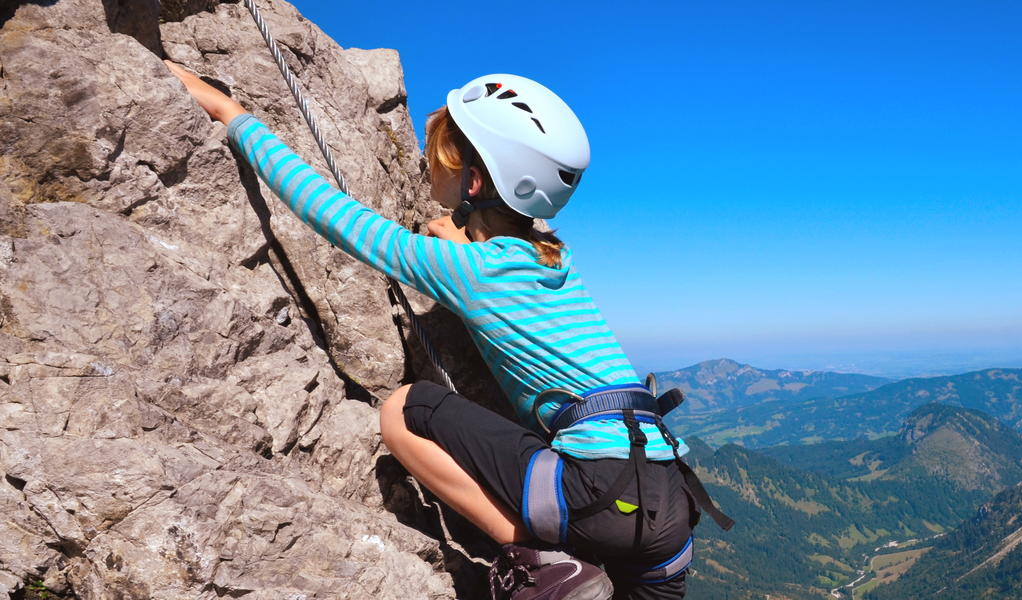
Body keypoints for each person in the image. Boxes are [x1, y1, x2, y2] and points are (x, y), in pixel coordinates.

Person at [165, 60, 730, 600]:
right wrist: (460, 239)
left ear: (475, 181)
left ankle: (544, 556)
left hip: (592, 493)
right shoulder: (556, 259)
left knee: (404, 410)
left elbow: (332, 213)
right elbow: (508, 275)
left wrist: (228, 112)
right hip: (670, 505)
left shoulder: (470, 270)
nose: (426, 160)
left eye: (440, 154)